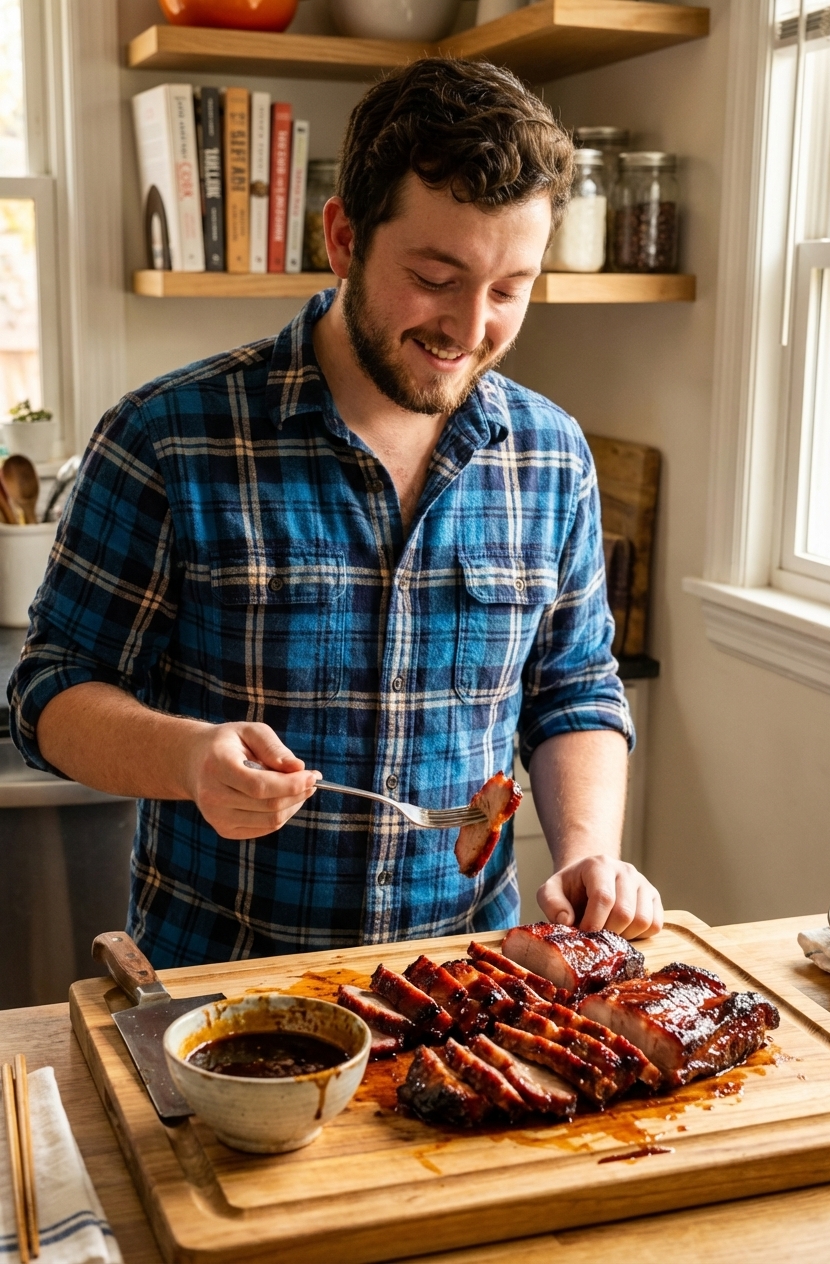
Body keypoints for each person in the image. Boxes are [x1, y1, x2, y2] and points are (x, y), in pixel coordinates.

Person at [8, 59, 663, 968]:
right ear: (344, 238)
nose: (470, 328)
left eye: (509, 288)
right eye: (435, 276)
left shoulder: (549, 455)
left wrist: (588, 851)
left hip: (461, 982)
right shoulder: (169, 437)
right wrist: (190, 757)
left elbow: (573, 691)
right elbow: (46, 694)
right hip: (221, 991)